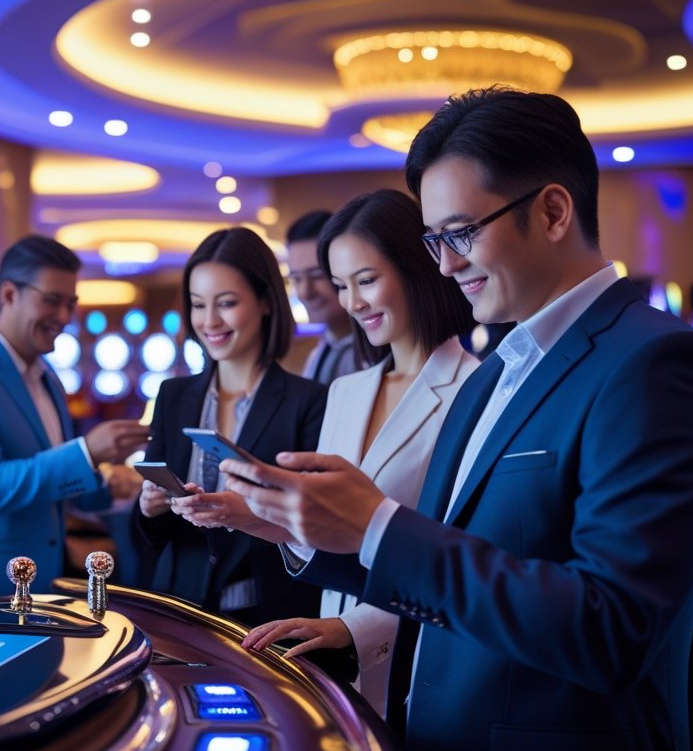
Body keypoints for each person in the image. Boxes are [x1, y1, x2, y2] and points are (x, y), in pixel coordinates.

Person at [223, 87, 693, 751]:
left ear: (553, 212)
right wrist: (312, 531)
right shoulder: (493, 372)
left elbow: (612, 627)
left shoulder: (657, 362)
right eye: (434, 240)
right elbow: (455, 566)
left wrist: (376, 526)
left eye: (461, 233)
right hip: (437, 747)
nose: (444, 264)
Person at [234, 190, 477, 718]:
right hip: (334, 660)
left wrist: (355, 628)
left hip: (422, 659)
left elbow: (461, 561)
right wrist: (264, 518)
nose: (352, 303)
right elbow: (332, 536)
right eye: (341, 286)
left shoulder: (475, 390)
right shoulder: (346, 391)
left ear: (418, 267)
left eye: (366, 280)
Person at [0, 235, 149, 602]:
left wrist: (110, 486)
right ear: (9, 294)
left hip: (41, 585)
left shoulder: (48, 378)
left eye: (70, 304)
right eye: (52, 300)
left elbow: (52, 486)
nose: (64, 317)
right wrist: (87, 453)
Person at [130, 227, 327, 626]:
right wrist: (149, 509)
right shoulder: (173, 396)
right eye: (198, 305)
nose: (209, 321)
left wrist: (250, 513)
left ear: (266, 302)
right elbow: (147, 538)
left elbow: (317, 528)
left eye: (226, 303)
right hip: (177, 613)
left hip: (267, 617)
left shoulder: (309, 402)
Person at [286, 210, 360, 383]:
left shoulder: (378, 352)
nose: (305, 292)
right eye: (296, 279)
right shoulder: (320, 352)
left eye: (317, 275)